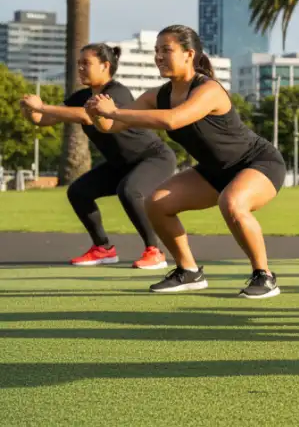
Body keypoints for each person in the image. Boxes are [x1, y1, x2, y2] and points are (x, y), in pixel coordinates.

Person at [85, 25, 287, 299]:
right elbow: (110, 126)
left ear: (189, 54)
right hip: (214, 171)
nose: (158, 56)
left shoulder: (209, 89)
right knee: (156, 203)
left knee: (233, 203)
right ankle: (188, 271)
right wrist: (97, 113)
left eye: (166, 50)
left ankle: (264, 275)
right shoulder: (157, 95)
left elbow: (173, 119)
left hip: (258, 163)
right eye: (156, 51)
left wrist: (116, 111)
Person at [21, 43, 174, 269]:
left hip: (153, 157)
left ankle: (155, 251)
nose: (80, 68)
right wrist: (30, 110)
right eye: (79, 63)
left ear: (105, 66)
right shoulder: (82, 95)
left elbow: (86, 116)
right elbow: (45, 120)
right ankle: (103, 248)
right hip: (119, 164)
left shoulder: (116, 92)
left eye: (86, 63)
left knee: (130, 190)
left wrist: (42, 106)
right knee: (79, 192)